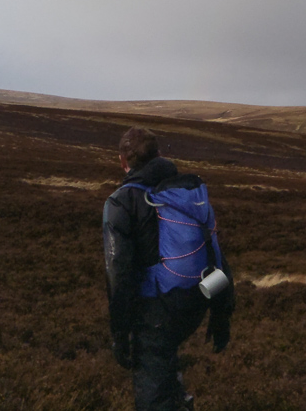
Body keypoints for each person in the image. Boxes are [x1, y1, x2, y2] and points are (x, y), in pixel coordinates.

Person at [102, 127, 235, 411]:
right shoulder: (188, 192)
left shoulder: (121, 202)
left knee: (154, 395)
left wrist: (120, 334)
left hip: (158, 311)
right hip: (198, 300)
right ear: (159, 154)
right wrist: (222, 315)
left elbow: (119, 274)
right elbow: (216, 253)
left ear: (123, 161)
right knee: (167, 366)